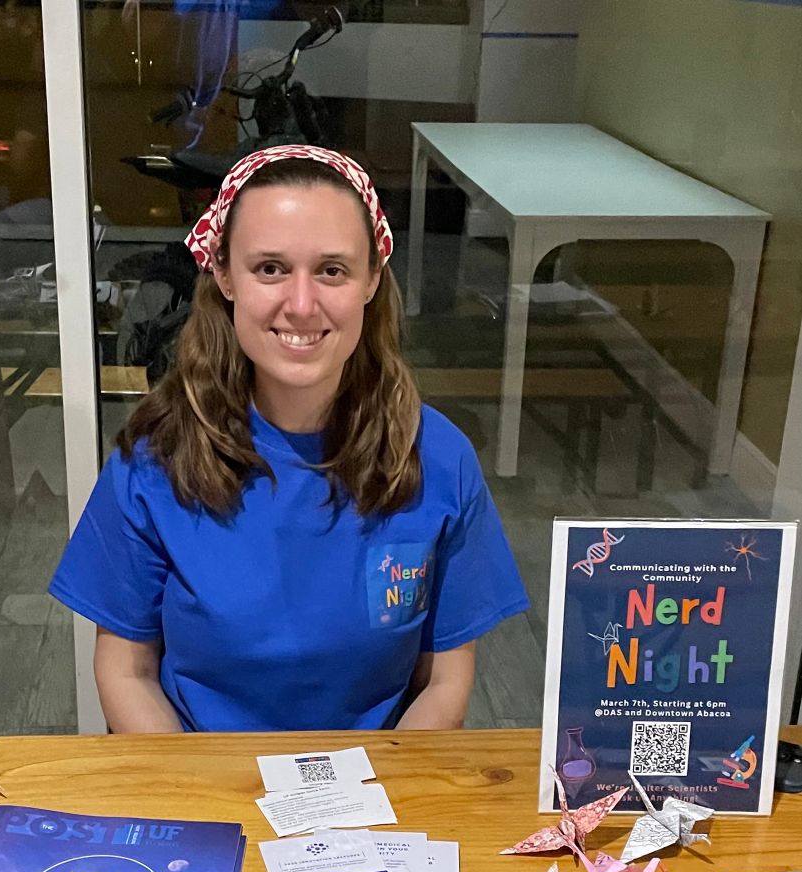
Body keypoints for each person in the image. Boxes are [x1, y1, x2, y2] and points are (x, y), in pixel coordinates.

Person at [49, 145, 529, 733]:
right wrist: (201, 809)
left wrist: (376, 814)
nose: (301, 306)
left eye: (332, 270)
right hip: (202, 790)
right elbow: (127, 673)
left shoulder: (438, 459)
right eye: (270, 268)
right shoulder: (154, 461)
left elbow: (445, 681)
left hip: (378, 802)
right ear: (224, 275)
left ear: (373, 279)